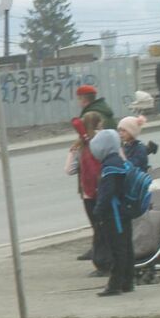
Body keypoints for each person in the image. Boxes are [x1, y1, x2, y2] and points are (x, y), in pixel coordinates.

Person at [91, 129, 134, 297]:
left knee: (117, 249)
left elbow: (107, 193)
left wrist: (98, 211)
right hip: (125, 211)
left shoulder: (110, 166)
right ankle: (128, 281)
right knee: (127, 247)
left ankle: (114, 285)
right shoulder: (121, 161)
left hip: (113, 214)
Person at [66, 111, 107, 274]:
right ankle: (108, 261)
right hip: (105, 190)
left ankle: (100, 262)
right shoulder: (105, 140)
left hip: (87, 193)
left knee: (97, 228)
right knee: (106, 228)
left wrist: (72, 154)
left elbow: (69, 170)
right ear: (98, 124)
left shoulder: (80, 144)